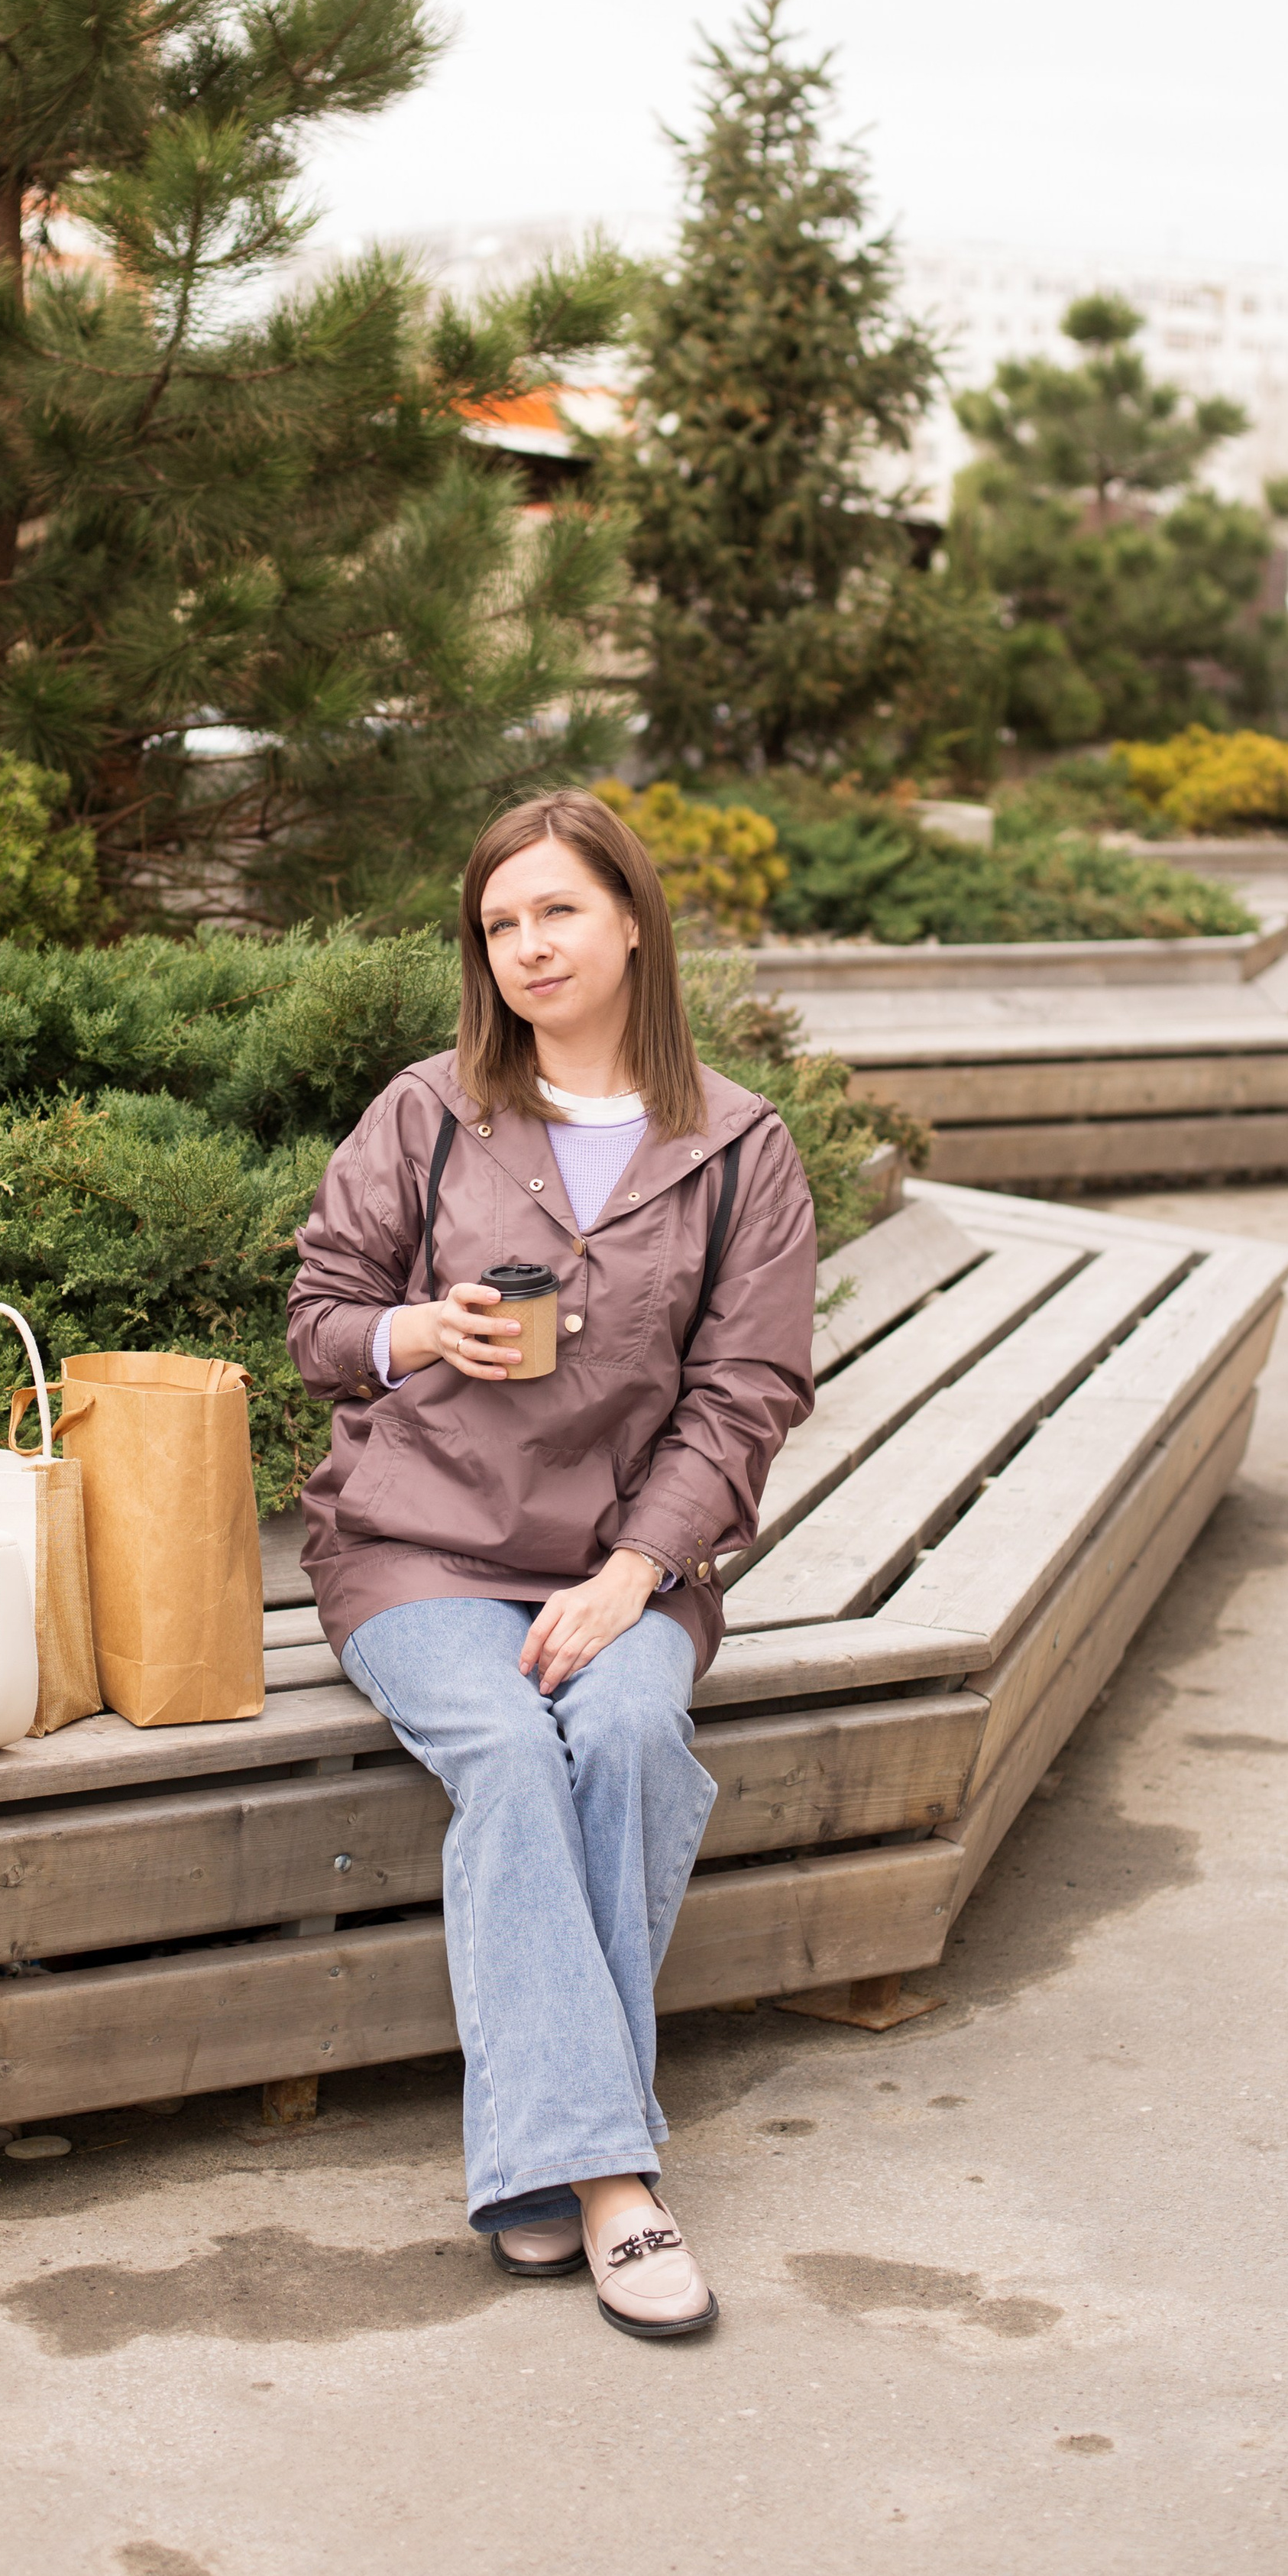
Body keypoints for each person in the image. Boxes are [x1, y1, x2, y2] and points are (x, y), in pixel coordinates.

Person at [286, 789, 817, 2338]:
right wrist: (411, 1331)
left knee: (634, 1727)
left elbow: (748, 1390)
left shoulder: (736, 1147)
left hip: (623, 1562)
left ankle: (538, 2164)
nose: (525, 944)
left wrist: (638, 1570)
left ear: (631, 923)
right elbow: (321, 1314)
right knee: (514, 1752)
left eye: (556, 912)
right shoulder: (426, 1111)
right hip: (416, 1548)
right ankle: (609, 2187)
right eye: (498, 922)